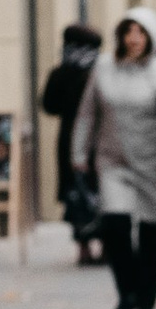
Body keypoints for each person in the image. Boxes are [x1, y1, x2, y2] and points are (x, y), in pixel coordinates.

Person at [72, 13, 156, 309]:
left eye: (141, 33)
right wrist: (79, 151)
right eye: (128, 32)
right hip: (113, 161)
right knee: (115, 227)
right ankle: (126, 293)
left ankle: (147, 300)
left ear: (151, 37)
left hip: (152, 163)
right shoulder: (104, 68)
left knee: (151, 232)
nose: (134, 39)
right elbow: (87, 113)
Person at [39, 21, 103, 261]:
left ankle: (84, 247)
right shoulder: (98, 71)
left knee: (76, 192)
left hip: (71, 139)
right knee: (95, 191)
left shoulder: (61, 72)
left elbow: (48, 106)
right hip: (95, 139)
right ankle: (102, 246)